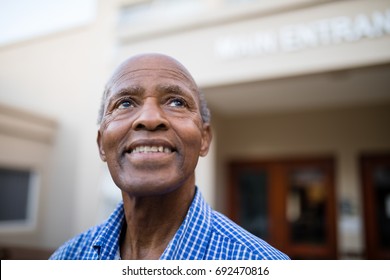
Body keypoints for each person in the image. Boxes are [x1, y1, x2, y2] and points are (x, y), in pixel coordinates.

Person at [49, 53, 289, 260]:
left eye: (176, 102)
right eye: (124, 104)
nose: (150, 118)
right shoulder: (66, 259)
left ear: (204, 138)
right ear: (102, 144)